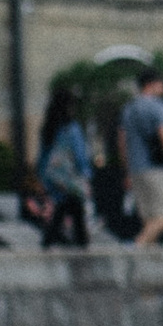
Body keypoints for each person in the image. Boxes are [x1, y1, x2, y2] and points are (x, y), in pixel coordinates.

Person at [118, 74, 163, 244]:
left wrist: (127, 170)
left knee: (149, 218)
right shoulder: (157, 106)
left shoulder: (128, 109)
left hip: (136, 169)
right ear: (151, 84)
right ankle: (137, 246)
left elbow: (122, 141)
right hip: (156, 167)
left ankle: (146, 261)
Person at [38, 106, 96, 250]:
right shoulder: (72, 128)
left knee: (65, 206)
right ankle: (81, 243)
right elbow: (79, 154)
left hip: (55, 177)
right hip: (70, 176)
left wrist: (44, 178)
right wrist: (86, 174)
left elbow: (43, 156)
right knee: (73, 206)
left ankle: (50, 241)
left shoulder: (49, 128)